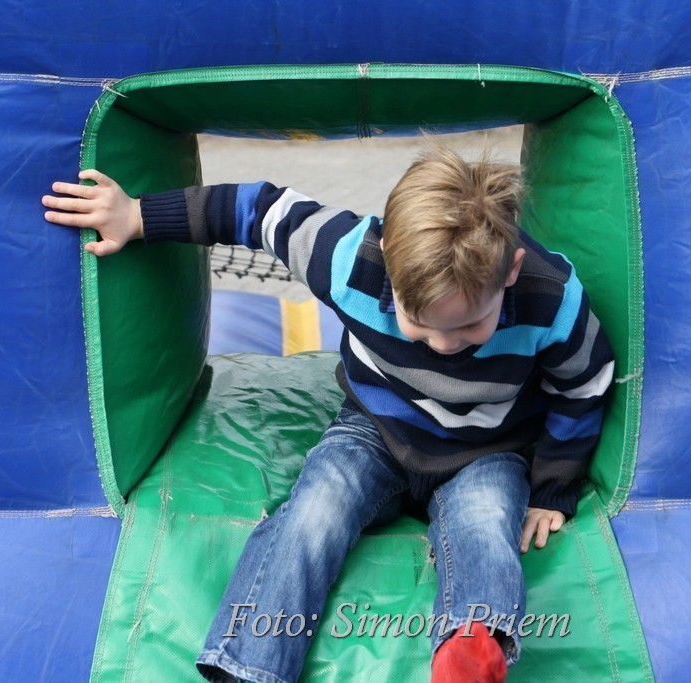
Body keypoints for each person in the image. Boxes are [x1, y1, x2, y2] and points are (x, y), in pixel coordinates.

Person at [42, 146, 615, 683]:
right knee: (318, 508)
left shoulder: (550, 296)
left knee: (487, 522)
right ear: (386, 260)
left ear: (510, 272)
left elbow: (584, 384)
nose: (445, 345)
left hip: (486, 448)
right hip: (376, 428)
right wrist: (139, 215)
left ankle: (470, 653)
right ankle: (250, 666)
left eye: (470, 325)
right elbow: (259, 211)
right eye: (419, 323)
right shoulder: (350, 258)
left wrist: (553, 487)